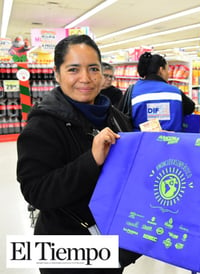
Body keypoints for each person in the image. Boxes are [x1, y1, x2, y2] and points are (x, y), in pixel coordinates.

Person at [16, 34, 139, 273]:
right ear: (57, 73)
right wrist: (91, 161)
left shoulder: (115, 117)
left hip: (110, 242)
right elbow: (36, 192)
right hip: (66, 249)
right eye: (73, 69)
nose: (86, 78)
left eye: (93, 68)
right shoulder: (43, 125)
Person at [129, 52, 195, 131]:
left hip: (141, 141)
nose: (168, 73)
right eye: (167, 70)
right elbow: (190, 108)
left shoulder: (133, 91)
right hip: (172, 141)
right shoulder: (175, 92)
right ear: (161, 70)